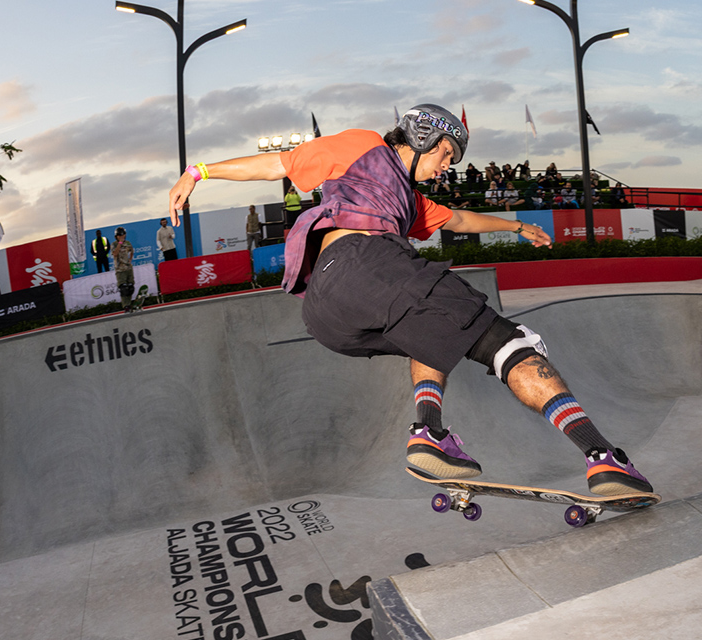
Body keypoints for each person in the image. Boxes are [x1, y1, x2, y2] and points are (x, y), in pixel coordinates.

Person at [168, 103, 652, 497]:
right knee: (508, 343)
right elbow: (279, 163)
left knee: (431, 333)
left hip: (326, 311)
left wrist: (517, 225)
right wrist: (199, 171)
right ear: (427, 140)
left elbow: (459, 219)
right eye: (447, 157)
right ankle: (604, 458)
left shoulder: (411, 200)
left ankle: (430, 432)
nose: (446, 169)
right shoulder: (364, 146)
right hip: (365, 260)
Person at [111, 227, 135, 310]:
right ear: (116, 236)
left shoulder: (128, 243)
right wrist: (120, 242)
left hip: (128, 268)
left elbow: (132, 251)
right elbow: (115, 253)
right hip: (120, 270)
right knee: (124, 288)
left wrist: (130, 259)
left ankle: (129, 303)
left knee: (130, 287)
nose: (122, 236)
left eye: (123, 235)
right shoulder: (114, 244)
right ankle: (126, 305)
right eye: (120, 235)